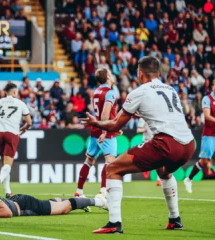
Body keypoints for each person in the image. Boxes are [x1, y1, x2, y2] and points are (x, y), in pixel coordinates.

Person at [81, 56, 195, 233]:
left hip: (167, 144)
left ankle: (114, 223)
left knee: (113, 168)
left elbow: (115, 124)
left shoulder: (139, 92)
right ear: (158, 72)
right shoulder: (170, 89)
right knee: (163, 171)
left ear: (140, 73)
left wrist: (95, 123)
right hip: (188, 145)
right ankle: (175, 219)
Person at [0, 173, 107, 219]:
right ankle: (80, 202)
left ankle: (99, 201)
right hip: (19, 208)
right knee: (53, 204)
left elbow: (6, 212)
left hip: (24, 205)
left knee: (64, 209)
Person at [75, 68, 118, 208]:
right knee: (109, 161)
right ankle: (102, 192)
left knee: (89, 160)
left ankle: (79, 191)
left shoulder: (97, 92)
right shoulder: (110, 93)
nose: (112, 77)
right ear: (107, 78)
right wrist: (106, 131)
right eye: (110, 75)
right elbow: (105, 115)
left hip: (95, 128)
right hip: (104, 129)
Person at [0, 83, 32, 197]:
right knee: (8, 164)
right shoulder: (21, 103)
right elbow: (29, 122)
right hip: (11, 133)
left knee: (4, 164)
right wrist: (24, 128)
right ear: (14, 92)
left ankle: (8, 192)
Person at [184, 80, 215, 193]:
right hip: (209, 134)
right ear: (213, 86)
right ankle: (189, 179)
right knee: (204, 161)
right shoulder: (207, 99)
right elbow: (207, 116)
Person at [136, 118, 161, 186]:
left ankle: (159, 180)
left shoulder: (156, 116)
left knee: (159, 161)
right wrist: (144, 130)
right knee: (149, 159)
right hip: (146, 141)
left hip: (155, 141)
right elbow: (138, 130)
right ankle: (146, 168)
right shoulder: (143, 118)